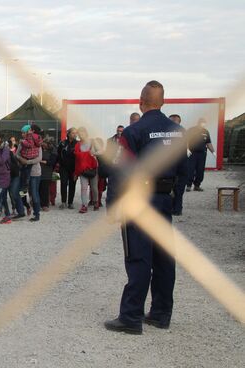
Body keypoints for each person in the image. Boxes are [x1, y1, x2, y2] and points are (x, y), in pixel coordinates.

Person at [104, 80, 187, 335]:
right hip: (164, 200)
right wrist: (176, 202)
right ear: (163, 102)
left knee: (139, 258)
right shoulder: (178, 131)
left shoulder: (134, 131)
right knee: (163, 258)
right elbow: (184, 170)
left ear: (141, 101)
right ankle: (161, 314)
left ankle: (131, 318)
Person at [16, 134, 42, 222]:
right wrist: (21, 159)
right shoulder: (21, 144)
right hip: (23, 171)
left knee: (34, 194)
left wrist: (27, 161)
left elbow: (39, 158)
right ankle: (26, 206)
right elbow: (17, 155)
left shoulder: (38, 144)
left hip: (35, 173)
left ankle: (36, 214)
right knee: (22, 192)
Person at [73, 127, 99, 213]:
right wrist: (76, 173)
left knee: (94, 188)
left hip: (92, 167)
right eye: (79, 134)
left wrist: (93, 153)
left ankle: (95, 201)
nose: (81, 135)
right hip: (82, 169)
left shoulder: (92, 141)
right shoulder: (78, 144)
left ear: (86, 133)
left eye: (82, 133)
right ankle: (84, 205)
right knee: (83, 188)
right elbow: (76, 160)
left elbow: (101, 151)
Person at [186, 118, 214, 192]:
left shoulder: (206, 131)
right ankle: (188, 185)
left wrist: (213, 152)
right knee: (190, 169)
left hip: (202, 154)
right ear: (198, 123)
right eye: (201, 122)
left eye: (204, 123)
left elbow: (208, 143)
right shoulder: (191, 130)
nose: (202, 124)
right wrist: (187, 149)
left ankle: (197, 185)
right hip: (192, 153)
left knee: (200, 170)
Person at [169, 114, 187, 216]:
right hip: (183, 162)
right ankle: (178, 209)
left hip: (172, 162)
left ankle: (173, 207)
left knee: (170, 186)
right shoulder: (183, 131)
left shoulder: (167, 131)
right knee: (180, 187)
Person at [57, 127, 78, 209]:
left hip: (74, 168)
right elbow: (58, 154)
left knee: (73, 184)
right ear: (68, 134)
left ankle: (70, 202)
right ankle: (63, 202)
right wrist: (58, 164)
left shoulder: (77, 144)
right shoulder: (62, 143)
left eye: (75, 133)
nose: (75, 134)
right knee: (63, 183)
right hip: (64, 167)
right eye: (73, 133)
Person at [39, 138, 57, 212]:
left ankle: (45, 205)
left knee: (45, 189)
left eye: (45, 143)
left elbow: (52, 162)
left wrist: (43, 161)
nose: (43, 144)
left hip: (47, 172)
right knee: (39, 188)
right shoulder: (39, 149)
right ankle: (39, 203)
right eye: (43, 142)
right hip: (38, 172)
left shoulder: (53, 151)